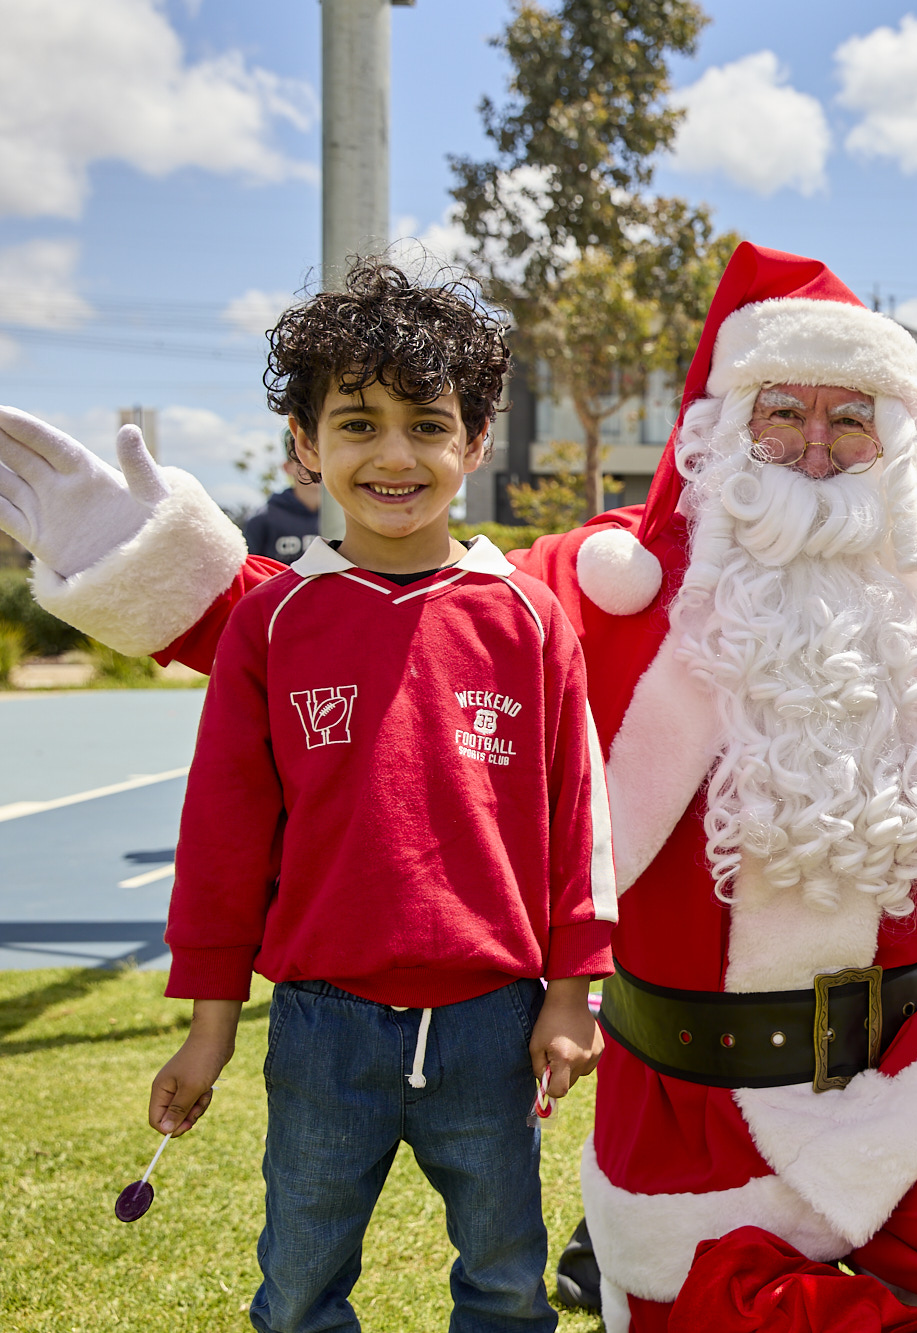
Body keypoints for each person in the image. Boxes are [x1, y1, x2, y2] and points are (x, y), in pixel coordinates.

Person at [0, 243, 917, 1333]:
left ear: (898, 439)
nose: (813, 447)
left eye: (850, 419)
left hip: (905, 1065)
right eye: (781, 412)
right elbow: (385, 625)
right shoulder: (597, 585)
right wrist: (161, 567)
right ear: (722, 427)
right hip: (689, 1102)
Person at [145, 261, 609, 1332]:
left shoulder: (529, 619)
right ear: (305, 445)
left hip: (493, 1022)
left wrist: (571, 994)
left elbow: (579, 818)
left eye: (427, 426)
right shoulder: (271, 625)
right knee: (300, 1287)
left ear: (474, 442)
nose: (394, 456)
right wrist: (210, 1030)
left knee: (505, 1284)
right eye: (358, 424)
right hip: (322, 1024)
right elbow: (222, 841)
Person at [240, 453, 322, 562]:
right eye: (306, 459)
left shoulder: (342, 518)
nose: (316, 467)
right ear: (287, 467)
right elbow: (249, 567)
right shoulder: (263, 519)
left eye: (322, 458)